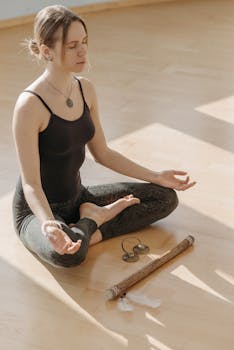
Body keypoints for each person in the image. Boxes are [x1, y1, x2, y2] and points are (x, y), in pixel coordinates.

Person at [12, 5, 196, 268]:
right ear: (46, 51)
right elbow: (31, 184)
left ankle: (88, 225)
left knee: (165, 197)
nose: (83, 50)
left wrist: (155, 176)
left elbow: (103, 153)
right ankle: (94, 222)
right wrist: (49, 224)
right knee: (68, 255)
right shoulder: (29, 105)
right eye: (72, 45)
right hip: (37, 211)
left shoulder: (85, 89)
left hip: (78, 198)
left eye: (84, 41)